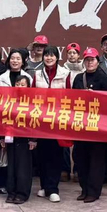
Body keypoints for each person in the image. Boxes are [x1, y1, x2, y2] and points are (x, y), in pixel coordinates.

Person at [73, 48, 107, 203]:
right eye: (87, 60)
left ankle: (94, 191)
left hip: (98, 125)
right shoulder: (78, 78)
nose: (89, 63)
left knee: (96, 160)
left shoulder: (104, 78)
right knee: (81, 158)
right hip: (81, 124)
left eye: (92, 60)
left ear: (98, 61)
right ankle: (84, 189)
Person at [33, 46, 69, 203]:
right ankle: (44, 185)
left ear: (57, 57)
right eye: (46, 55)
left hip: (57, 119)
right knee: (42, 154)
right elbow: (32, 95)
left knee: (55, 154)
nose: (48, 58)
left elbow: (70, 96)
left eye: (52, 55)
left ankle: (53, 188)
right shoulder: (37, 74)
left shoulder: (65, 73)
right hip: (41, 119)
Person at [3, 74, 37, 204]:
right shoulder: (9, 100)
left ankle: (22, 194)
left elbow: (35, 121)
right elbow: (4, 118)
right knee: (11, 167)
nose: (19, 87)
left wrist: (33, 139)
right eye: (17, 84)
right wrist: (2, 137)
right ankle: (11, 192)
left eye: (23, 84)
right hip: (11, 138)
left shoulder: (32, 102)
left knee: (23, 168)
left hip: (25, 139)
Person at [61, 42, 83, 182]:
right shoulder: (62, 70)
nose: (72, 55)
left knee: (78, 140)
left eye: (74, 53)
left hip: (79, 108)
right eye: (69, 53)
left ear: (78, 55)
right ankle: (65, 169)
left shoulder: (84, 70)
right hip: (65, 107)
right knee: (64, 139)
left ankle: (77, 169)